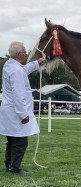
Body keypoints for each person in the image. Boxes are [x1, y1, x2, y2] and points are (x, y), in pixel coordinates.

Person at [0, 41, 45, 175]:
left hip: (10, 111)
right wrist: (23, 114)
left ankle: (9, 165)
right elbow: (18, 94)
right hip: (16, 112)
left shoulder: (11, 66)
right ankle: (14, 168)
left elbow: (24, 70)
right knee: (20, 142)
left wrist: (37, 63)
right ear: (19, 54)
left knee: (13, 140)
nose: (26, 55)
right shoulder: (16, 70)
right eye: (25, 52)